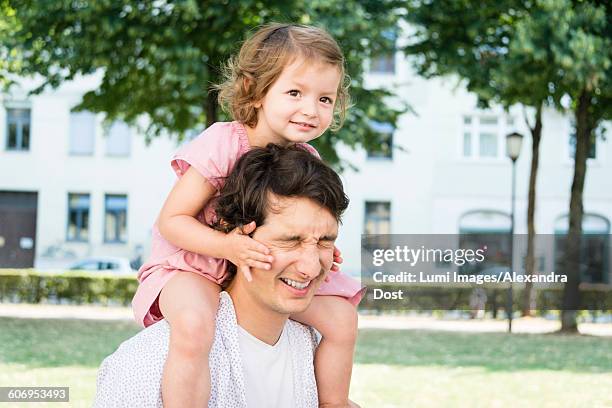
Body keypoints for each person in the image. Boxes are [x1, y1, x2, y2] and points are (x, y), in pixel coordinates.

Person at [131, 23, 365, 407]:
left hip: (261, 266)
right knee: (194, 326)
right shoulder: (222, 142)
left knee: (342, 319)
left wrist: (318, 246)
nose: (311, 110)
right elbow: (171, 221)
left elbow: (307, 223)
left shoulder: (306, 158)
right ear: (255, 92)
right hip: (194, 265)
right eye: (295, 93)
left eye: (325, 99)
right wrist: (228, 246)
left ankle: (332, 401)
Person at [94, 145, 358, 408]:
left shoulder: (314, 354)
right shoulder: (147, 364)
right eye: (290, 241)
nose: (311, 268)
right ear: (233, 234)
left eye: (325, 242)